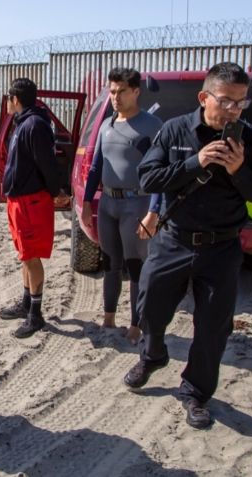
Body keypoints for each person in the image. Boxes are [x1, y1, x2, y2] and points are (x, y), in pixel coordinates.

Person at [123, 63, 252, 429]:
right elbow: (147, 178)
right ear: (204, 97)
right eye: (226, 101)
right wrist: (197, 162)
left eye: (241, 103)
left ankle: (195, 392)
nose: (234, 111)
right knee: (148, 309)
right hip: (173, 240)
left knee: (213, 328)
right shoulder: (174, 130)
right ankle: (153, 355)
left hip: (221, 248)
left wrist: (240, 170)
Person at [79, 68, 163, 345]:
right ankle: (109, 316)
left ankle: (137, 323)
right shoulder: (106, 126)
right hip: (108, 205)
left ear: (136, 91)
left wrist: (154, 211)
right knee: (110, 263)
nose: (115, 97)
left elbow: (161, 174)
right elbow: (95, 168)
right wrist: (89, 202)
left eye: (121, 91)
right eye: (112, 91)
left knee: (136, 266)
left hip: (136, 203)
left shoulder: (152, 126)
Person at [0, 78, 69, 338]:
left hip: (31, 200)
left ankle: (36, 314)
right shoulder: (22, 123)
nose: (7, 102)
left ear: (15, 99)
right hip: (19, 200)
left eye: (9, 97)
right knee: (24, 254)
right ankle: (26, 303)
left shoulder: (35, 124)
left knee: (31, 256)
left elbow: (47, 164)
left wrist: (56, 192)